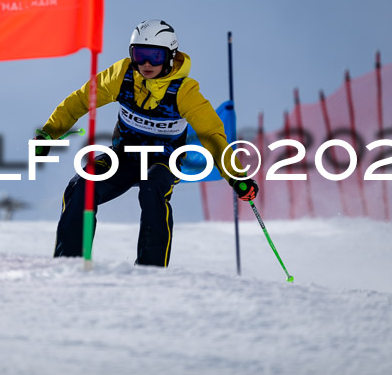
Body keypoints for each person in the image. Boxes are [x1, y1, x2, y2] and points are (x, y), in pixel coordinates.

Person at [34, 19, 259, 267]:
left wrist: (236, 177)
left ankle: (150, 270)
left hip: (164, 160)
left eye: (155, 56)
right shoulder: (122, 76)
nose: (147, 64)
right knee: (81, 185)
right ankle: (69, 262)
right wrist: (49, 133)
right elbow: (79, 101)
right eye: (140, 55)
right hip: (124, 156)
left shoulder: (184, 91)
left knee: (152, 187)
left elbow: (212, 135)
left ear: (170, 56)